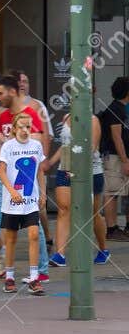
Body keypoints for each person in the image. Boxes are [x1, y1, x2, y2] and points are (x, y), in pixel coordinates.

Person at [0, 74, 50, 283]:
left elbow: (35, 143)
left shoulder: (30, 114)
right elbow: (4, 151)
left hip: (25, 179)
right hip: (2, 176)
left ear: (13, 91)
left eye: (0, 93)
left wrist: (7, 138)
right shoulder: (3, 115)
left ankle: (41, 269)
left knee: (35, 228)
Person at [0, 111, 47, 295]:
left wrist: (43, 193)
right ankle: (9, 277)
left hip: (31, 200)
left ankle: (34, 278)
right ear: (14, 128)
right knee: (11, 239)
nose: (25, 130)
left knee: (34, 234)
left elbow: (40, 171)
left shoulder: (36, 145)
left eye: (28, 127)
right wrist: (12, 191)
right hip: (12, 201)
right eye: (21, 127)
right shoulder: (8, 147)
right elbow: (1, 172)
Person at [49, 109, 108, 267]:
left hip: (90, 171)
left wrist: (76, 170)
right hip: (66, 168)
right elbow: (64, 146)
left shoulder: (93, 120)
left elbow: (92, 148)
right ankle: (59, 254)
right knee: (63, 209)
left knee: (93, 213)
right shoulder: (66, 116)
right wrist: (50, 162)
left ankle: (103, 249)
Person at [98, 77, 129, 238]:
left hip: (121, 156)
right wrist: (124, 161)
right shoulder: (115, 109)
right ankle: (112, 229)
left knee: (119, 192)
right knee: (112, 192)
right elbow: (117, 137)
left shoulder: (122, 108)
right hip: (115, 157)